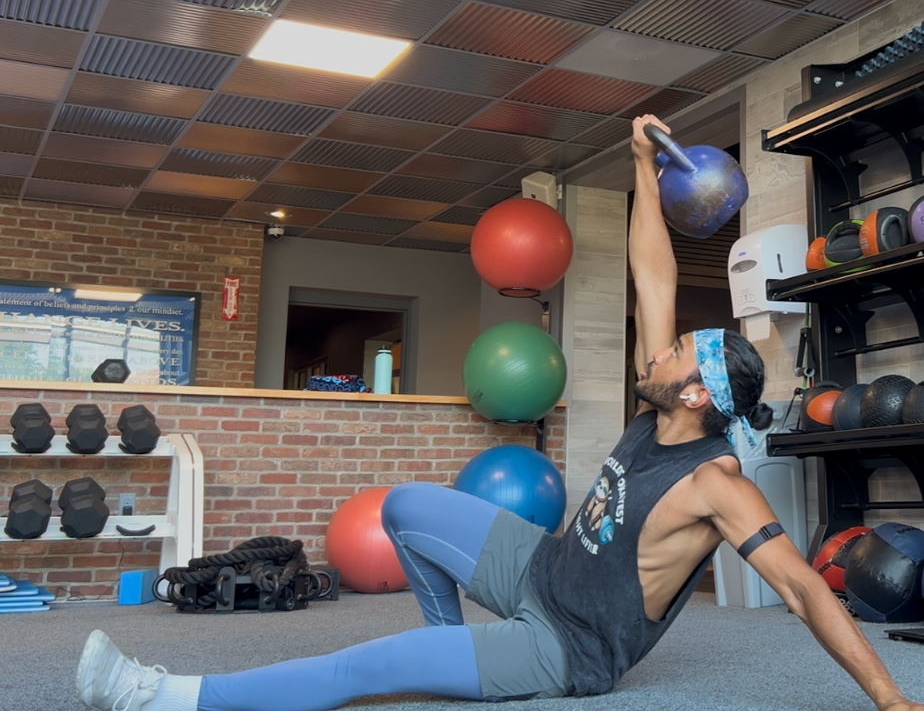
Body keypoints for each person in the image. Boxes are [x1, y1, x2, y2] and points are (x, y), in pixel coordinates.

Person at [75, 114, 923, 712]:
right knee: (406, 505)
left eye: (677, 353)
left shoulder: (716, 481)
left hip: (570, 644)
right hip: (541, 569)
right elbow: (653, 277)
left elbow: (804, 589)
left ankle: (160, 694)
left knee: (371, 663)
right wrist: (641, 164)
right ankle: (455, 656)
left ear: (697, 392)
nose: (659, 352)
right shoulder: (659, 406)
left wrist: (890, 699)